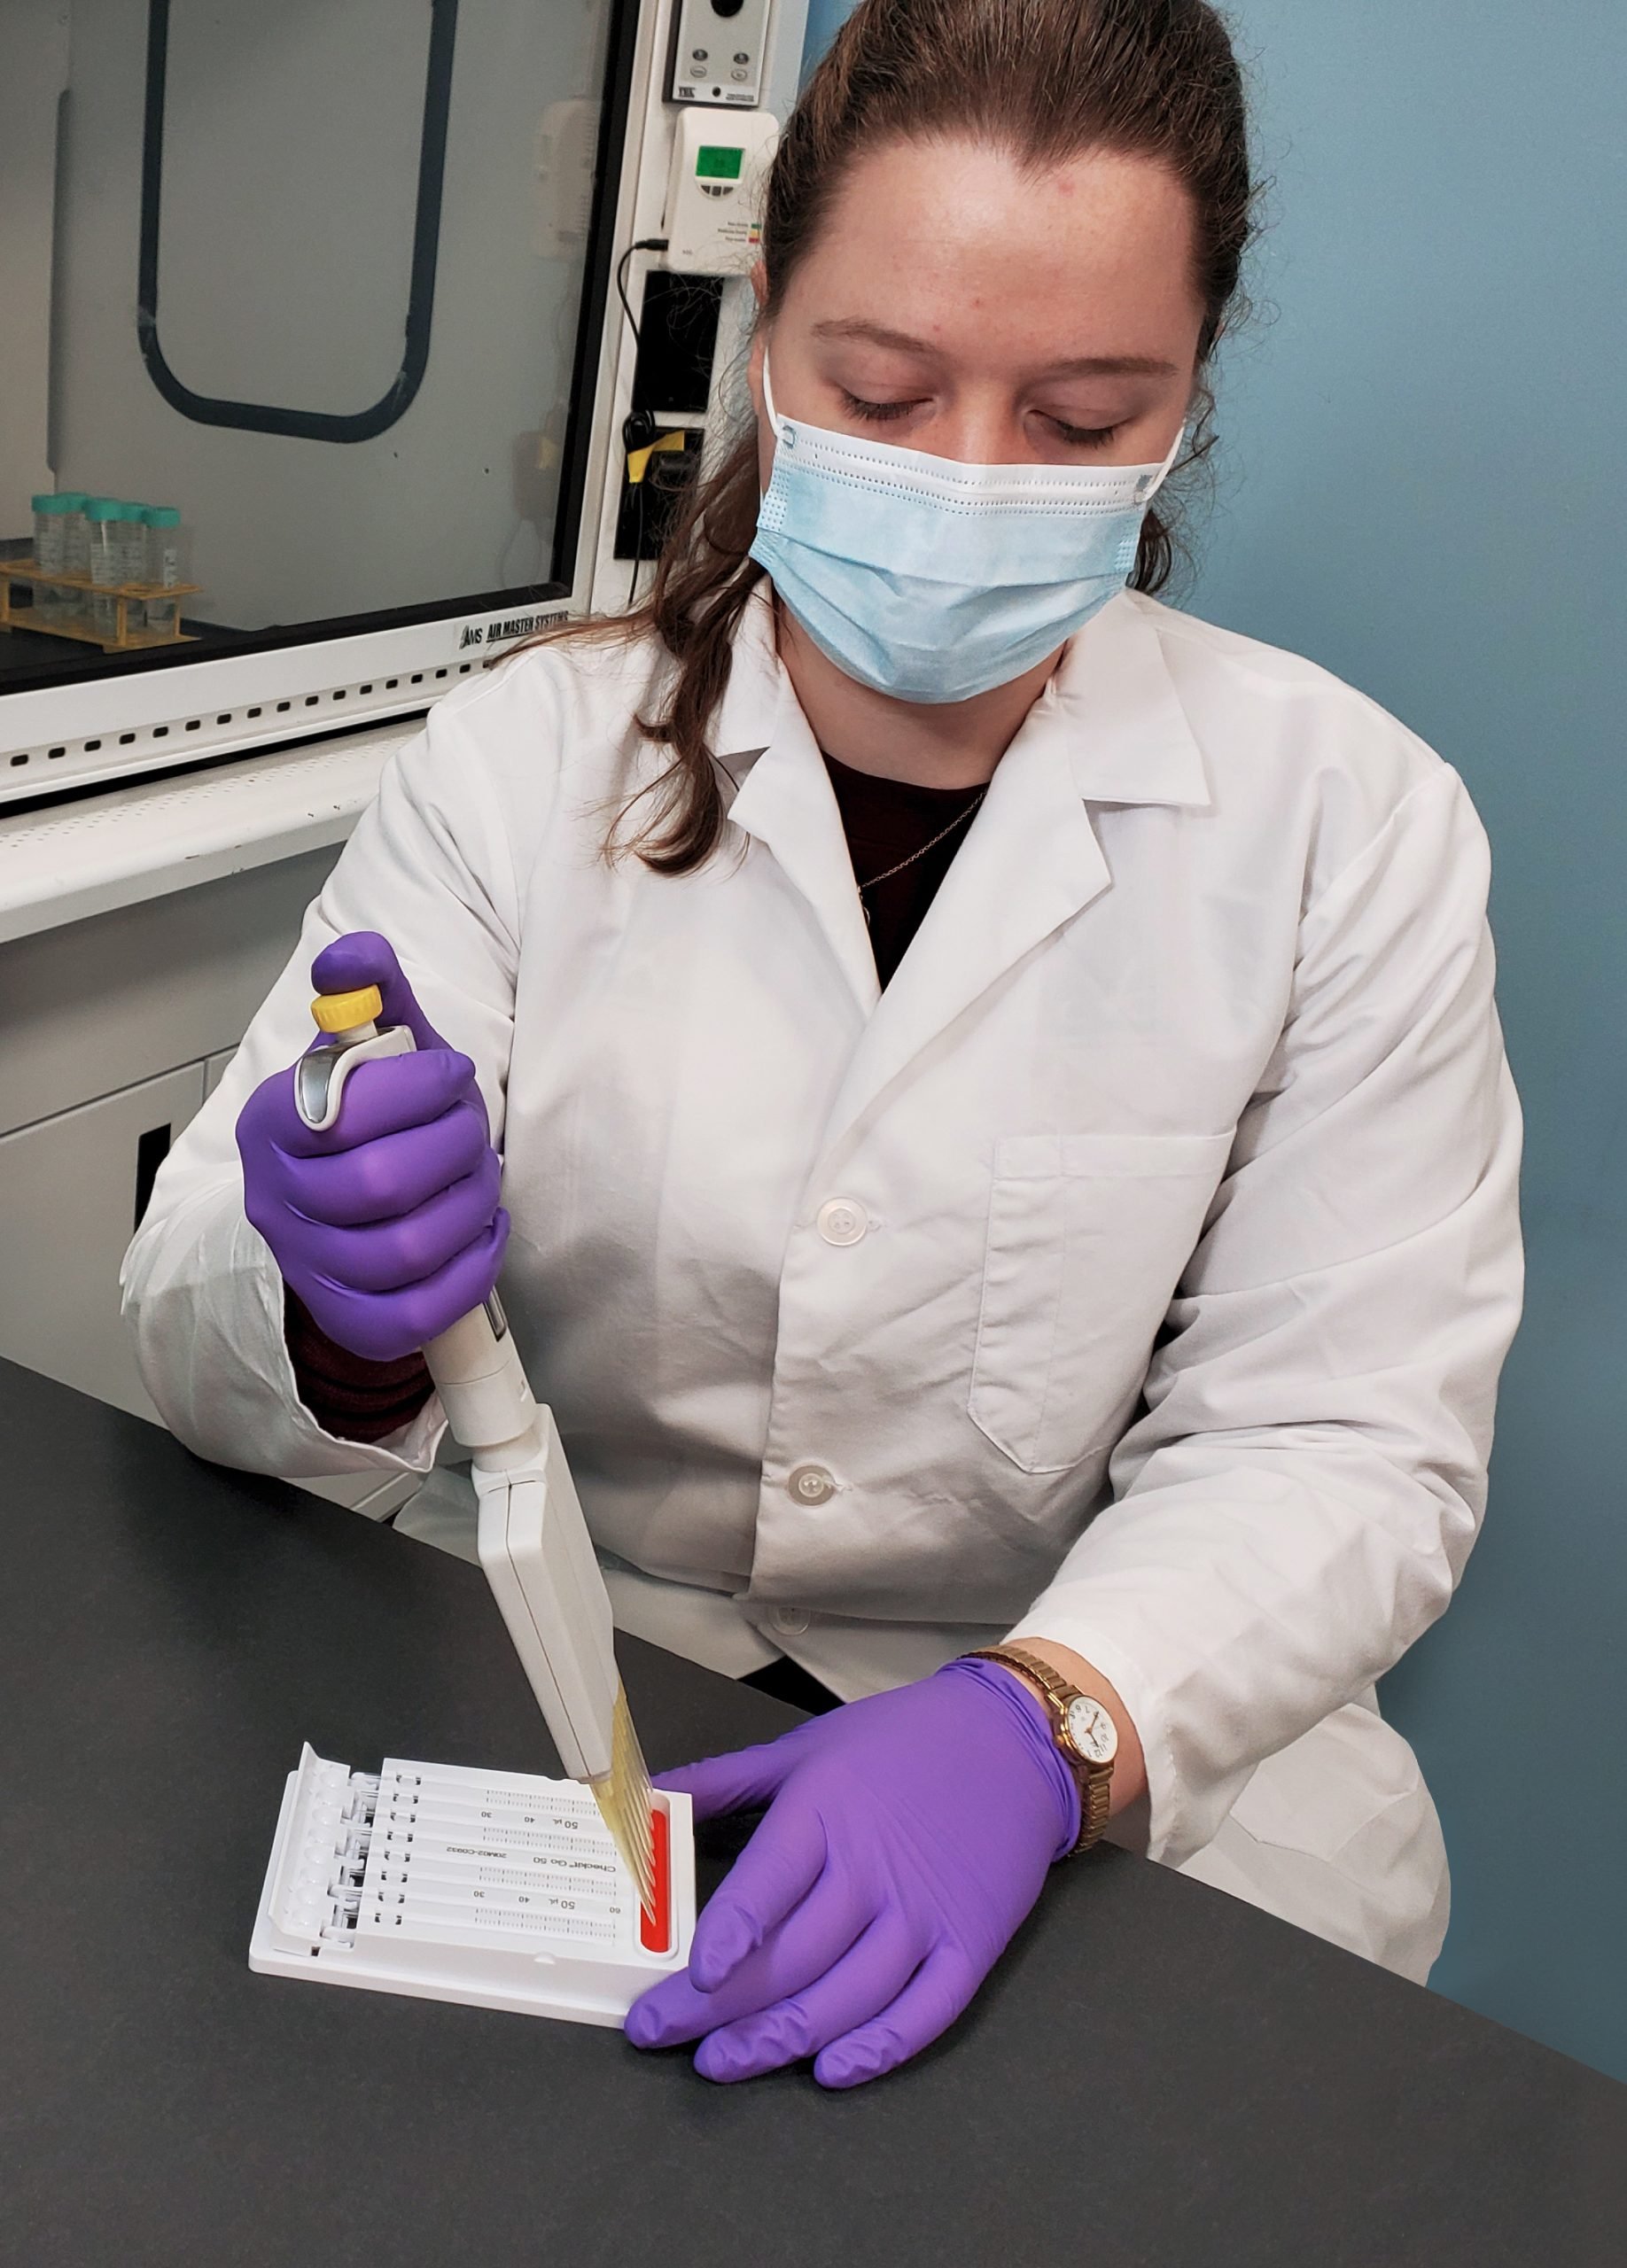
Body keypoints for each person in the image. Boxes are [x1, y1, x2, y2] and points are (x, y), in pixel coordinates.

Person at [122, 0, 1522, 2089]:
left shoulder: (1351, 826)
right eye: (884, 387)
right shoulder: (523, 759)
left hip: (1074, 1750)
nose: (968, 483)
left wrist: (1046, 1724)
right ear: (773, 330)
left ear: (1189, 400)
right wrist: (327, 1305)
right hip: (580, 1690)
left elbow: (1346, 1433)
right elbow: (194, 1334)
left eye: (1075, 419)